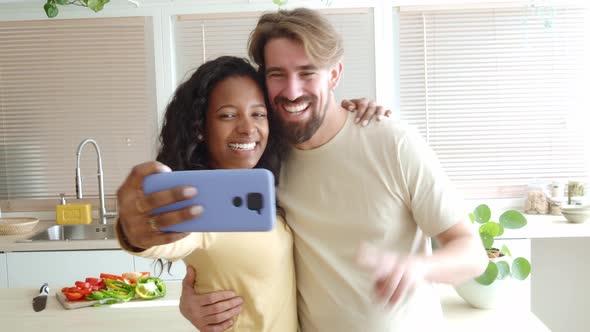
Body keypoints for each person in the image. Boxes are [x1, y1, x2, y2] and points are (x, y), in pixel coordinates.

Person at [181, 7, 489, 331]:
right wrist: (190, 302)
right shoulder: (265, 160)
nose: (292, 90)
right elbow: (215, 243)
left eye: (307, 72)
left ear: (335, 74)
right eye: (277, 74)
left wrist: (417, 268)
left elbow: (471, 254)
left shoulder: (392, 142)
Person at [115, 55, 388, 331]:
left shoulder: (275, 183)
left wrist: (352, 114)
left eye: (258, 114)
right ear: (201, 129)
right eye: (228, 115)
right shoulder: (199, 203)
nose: (247, 128)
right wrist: (133, 230)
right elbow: (161, 238)